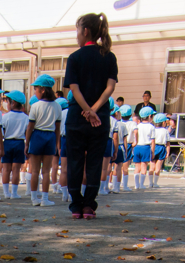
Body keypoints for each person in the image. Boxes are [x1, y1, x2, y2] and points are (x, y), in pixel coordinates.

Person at [63, 13, 117, 220]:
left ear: (85, 31)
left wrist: (86, 110)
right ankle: (89, 206)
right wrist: (94, 110)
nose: (76, 35)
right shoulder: (109, 57)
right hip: (100, 118)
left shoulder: (75, 57)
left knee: (75, 161)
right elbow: (110, 88)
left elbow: (74, 90)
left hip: (77, 116)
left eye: (77, 30)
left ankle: (76, 205)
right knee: (95, 161)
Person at [26, 76, 61, 207]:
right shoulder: (57, 107)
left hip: (37, 136)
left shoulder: (35, 106)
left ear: (42, 90)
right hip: (50, 137)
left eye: (36, 89)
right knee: (46, 170)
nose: (35, 92)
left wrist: (27, 143)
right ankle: (45, 199)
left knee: (35, 170)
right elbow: (57, 128)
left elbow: (30, 127)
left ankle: (34, 198)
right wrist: (57, 144)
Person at [0, 91, 28, 198]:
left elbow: (2, 132)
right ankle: (14, 193)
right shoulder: (26, 117)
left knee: (6, 169)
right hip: (20, 143)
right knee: (16, 169)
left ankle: (6, 193)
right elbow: (27, 133)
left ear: (13, 103)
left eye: (8, 102)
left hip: (7, 142)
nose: (6, 104)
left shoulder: (5, 117)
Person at [128, 106, 154, 189]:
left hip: (137, 147)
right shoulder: (151, 127)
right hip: (146, 147)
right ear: (150, 116)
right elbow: (153, 141)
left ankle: (136, 185)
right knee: (144, 166)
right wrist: (152, 152)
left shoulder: (138, 125)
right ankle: (142, 184)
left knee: (137, 167)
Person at [150, 112, 171, 187]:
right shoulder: (165, 131)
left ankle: (150, 183)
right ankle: (155, 183)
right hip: (162, 148)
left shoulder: (153, 129)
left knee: (152, 166)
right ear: (163, 122)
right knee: (158, 167)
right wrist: (168, 152)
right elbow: (168, 143)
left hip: (153, 147)